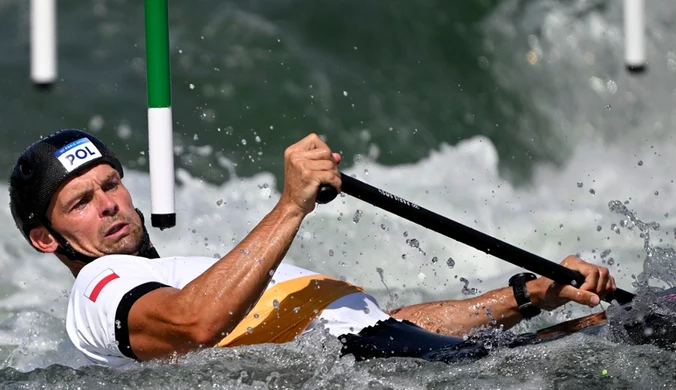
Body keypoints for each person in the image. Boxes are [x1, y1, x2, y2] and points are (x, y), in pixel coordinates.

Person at [9, 129, 616, 368]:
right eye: (80, 202)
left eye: (110, 183)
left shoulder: (182, 275)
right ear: (46, 237)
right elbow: (192, 325)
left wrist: (531, 293)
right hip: (393, 366)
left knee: (616, 328)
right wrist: (291, 204)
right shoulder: (99, 286)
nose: (109, 203)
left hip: (396, 358)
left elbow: (380, 326)